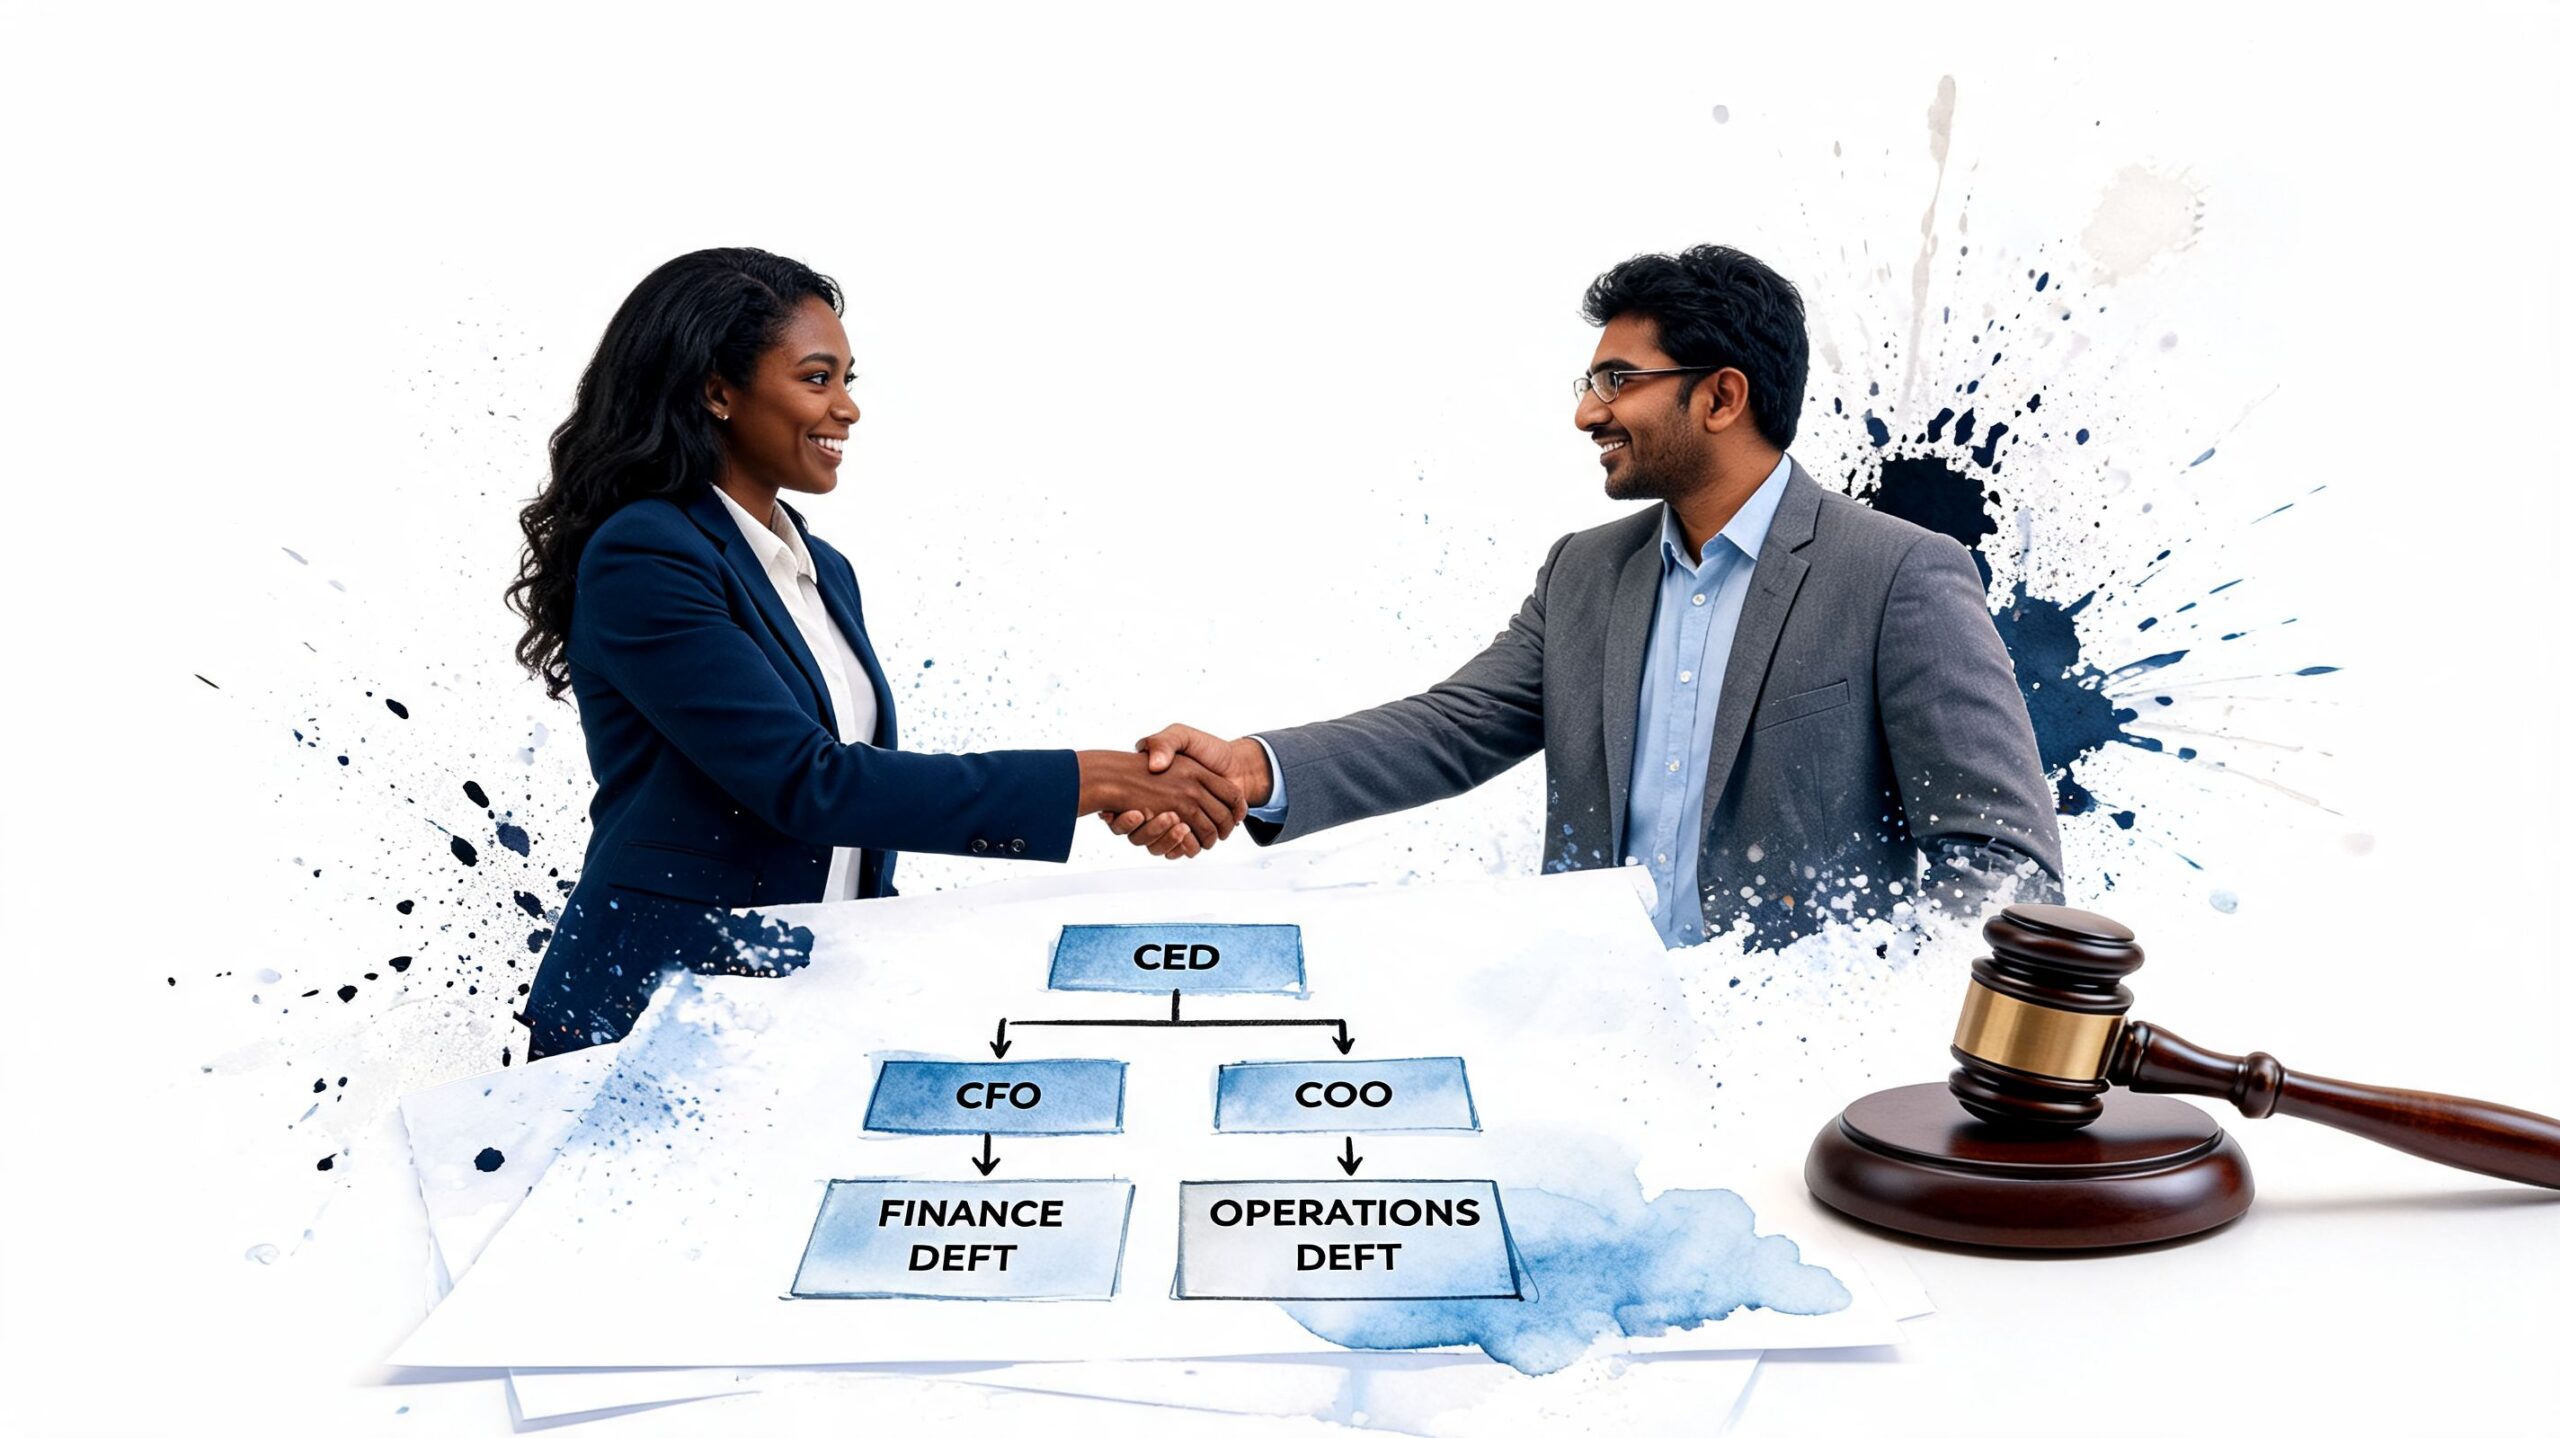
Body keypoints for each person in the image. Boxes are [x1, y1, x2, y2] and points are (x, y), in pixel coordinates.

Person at [1108, 244, 2062, 949]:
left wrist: (1850, 1008)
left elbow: (2005, 864)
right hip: (1596, 1038)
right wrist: (1247, 767)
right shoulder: (1583, 574)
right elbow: (1452, 728)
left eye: (1618, 379)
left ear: (1721, 398)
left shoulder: (1899, 575)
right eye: (1590, 379)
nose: (1586, 411)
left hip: (1792, 1069)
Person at [508, 248, 1242, 1058]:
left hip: (796, 1002)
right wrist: (1097, 779)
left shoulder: (825, 575)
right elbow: (808, 784)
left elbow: (847, 814)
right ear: (718, 391)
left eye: (850, 380)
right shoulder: (648, 552)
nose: (848, 409)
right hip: (651, 1012)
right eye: (818, 379)